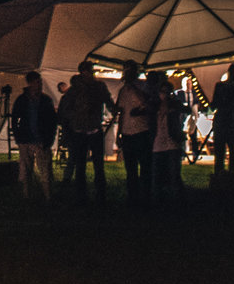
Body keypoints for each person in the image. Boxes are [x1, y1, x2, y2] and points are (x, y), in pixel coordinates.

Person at [58, 61, 113, 202]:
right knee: (82, 165)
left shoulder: (98, 87)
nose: (89, 74)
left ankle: (98, 195)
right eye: (87, 71)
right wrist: (77, 117)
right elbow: (66, 109)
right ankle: (83, 195)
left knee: (95, 165)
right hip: (81, 130)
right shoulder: (76, 89)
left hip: (92, 129)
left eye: (90, 71)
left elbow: (108, 102)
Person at [11, 70, 59, 201]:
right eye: (38, 82)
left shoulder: (45, 100)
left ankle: (47, 196)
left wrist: (48, 140)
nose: (40, 85)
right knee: (27, 170)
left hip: (41, 140)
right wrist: (19, 138)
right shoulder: (23, 100)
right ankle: (28, 196)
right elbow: (15, 119)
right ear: (30, 83)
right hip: (26, 139)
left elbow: (52, 121)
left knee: (45, 171)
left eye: (40, 82)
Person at [114, 61, 157, 203]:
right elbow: (121, 112)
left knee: (145, 167)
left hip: (141, 131)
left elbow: (149, 103)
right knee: (130, 168)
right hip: (127, 133)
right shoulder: (123, 90)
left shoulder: (143, 86)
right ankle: (133, 196)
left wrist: (134, 88)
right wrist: (119, 133)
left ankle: (146, 196)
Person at [152, 76, 187, 204]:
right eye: (163, 92)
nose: (165, 95)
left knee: (174, 174)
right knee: (158, 174)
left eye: (168, 92)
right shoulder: (155, 105)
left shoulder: (175, 104)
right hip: (159, 143)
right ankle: (161, 199)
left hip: (172, 142)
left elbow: (185, 110)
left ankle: (176, 199)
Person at [208, 65, 234, 181]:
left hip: (229, 121)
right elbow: (216, 103)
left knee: (230, 152)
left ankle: (229, 176)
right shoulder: (224, 86)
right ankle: (222, 176)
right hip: (225, 121)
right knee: (223, 153)